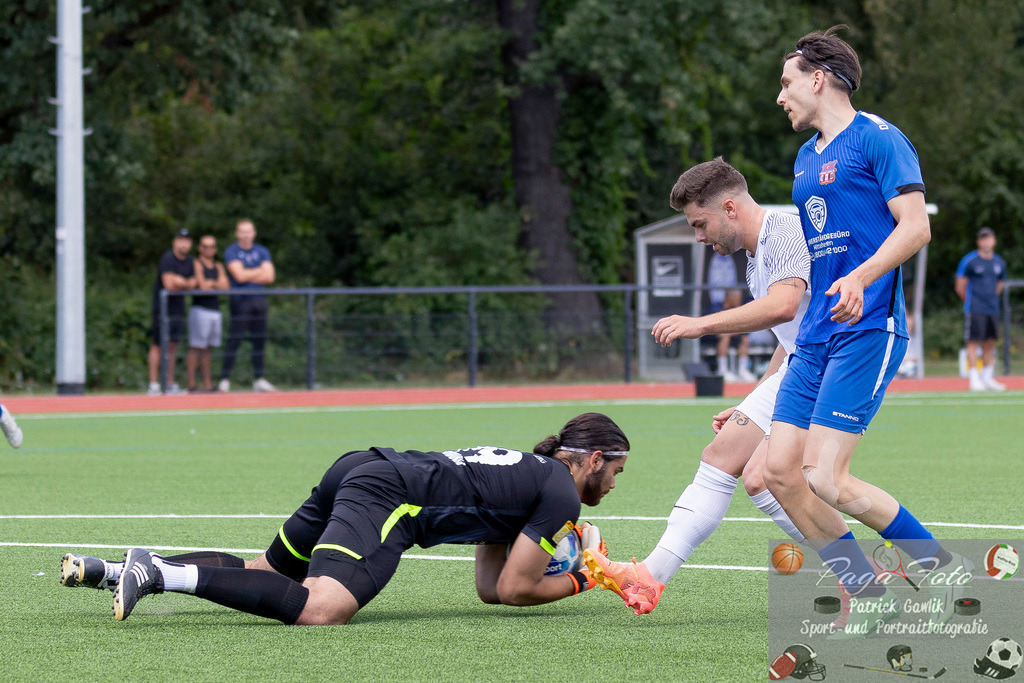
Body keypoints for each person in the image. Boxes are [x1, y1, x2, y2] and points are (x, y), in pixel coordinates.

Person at [58, 412, 629, 625]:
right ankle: (157, 575)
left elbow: (488, 587)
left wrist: (552, 559)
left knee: (267, 571)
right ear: (594, 459)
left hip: (360, 467)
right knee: (321, 607)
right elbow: (515, 588)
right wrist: (588, 576)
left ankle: (114, 569)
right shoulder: (562, 493)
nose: (613, 483)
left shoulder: (534, 476)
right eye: (615, 472)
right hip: (391, 496)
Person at [765, 25, 965, 631]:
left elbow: (915, 228)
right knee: (778, 473)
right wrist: (783, 354)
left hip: (867, 329)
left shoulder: (879, 138)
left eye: (786, 82)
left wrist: (861, 279)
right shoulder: (804, 160)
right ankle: (869, 592)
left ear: (818, 79)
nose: (780, 97)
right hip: (815, 339)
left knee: (825, 477)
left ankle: (945, 571)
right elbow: (822, 259)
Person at [582, 158, 810, 614]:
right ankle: (649, 578)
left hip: (833, 364)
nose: (699, 237)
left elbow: (784, 307)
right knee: (728, 459)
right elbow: (791, 338)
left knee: (772, 477)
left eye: (700, 224)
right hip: (804, 363)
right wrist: (753, 401)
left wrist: (698, 325)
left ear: (729, 207)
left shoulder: (783, 232)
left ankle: (860, 573)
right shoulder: (754, 257)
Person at [218, 219, 277, 393]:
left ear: (254, 233)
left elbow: (270, 277)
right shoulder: (232, 251)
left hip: (259, 300)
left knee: (259, 341)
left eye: (248, 231)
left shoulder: (262, 251)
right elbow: (239, 276)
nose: (245, 234)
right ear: (237, 233)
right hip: (240, 301)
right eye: (242, 231)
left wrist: (247, 273)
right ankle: (224, 379)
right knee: (234, 340)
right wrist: (259, 271)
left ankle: (259, 379)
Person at [956, 226, 1007, 391]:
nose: (986, 241)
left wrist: (991, 298)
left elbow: (1000, 283)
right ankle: (974, 378)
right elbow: (960, 286)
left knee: (990, 342)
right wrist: (972, 301)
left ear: (994, 240)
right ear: (979, 241)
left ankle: (987, 377)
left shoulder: (999, 262)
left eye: (989, 238)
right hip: (975, 308)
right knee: (973, 342)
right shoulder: (969, 261)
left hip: (992, 308)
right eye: (983, 238)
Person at [147, 229, 196, 396]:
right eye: (181, 240)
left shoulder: (189, 260)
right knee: (158, 344)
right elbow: (168, 283)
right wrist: (183, 282)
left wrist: (180, 282)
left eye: (187, 240)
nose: (184, 244)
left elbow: (194, 282)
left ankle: (169, 383)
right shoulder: (168, 258)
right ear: (175, 242)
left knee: (173, 345)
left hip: (178, 309)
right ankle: (153, 384)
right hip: (162, 308)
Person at [186, 235, 230, 392]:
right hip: (200, 309)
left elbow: (225, 286)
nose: (209, 249)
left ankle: (208, 384)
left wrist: (212, 283)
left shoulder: (218, 266)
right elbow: (203, 285)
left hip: (214, 310)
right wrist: (213, 284)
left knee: (207, 349)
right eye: (206, 246)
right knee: (196, 347)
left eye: (212, 246)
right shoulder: (196, 263)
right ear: (200, 248)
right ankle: (191, 383)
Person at [706, 252, 758, 382]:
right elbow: (716, 328)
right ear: (728, 300)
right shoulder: (716, 308)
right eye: (735, 300)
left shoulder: (739, 308)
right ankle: (722, 370)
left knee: (745, 338)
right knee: (725, 336)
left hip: (734, 334)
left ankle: (742, 370)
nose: (737, 303)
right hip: (714, 336)